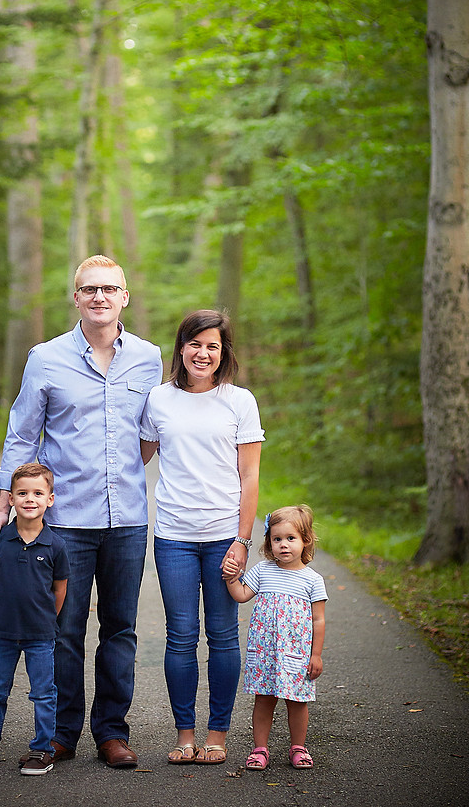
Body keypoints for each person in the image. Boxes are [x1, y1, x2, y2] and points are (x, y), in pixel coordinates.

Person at [0, 255, 163, 768]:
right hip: (64, 524)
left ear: (125, 297)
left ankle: (112, 733)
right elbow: (22, 435)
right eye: (89, 289)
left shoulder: (148, 358)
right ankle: (62, 733)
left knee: (120, 629)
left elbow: (150, 433)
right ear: (76, 298)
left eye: (109, 289)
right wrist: (3, 507)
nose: (99, 297)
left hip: (127, 519)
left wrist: (120, 469)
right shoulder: (45, 358)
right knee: (63, 631)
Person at [140, 309, 264, 765]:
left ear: (223, 352)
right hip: (173, 536)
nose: (203, 353)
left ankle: (217, 734)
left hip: (223, 537)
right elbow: (137, 456)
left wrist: (242, 540)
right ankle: (185, 734)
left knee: (224, 635)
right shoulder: (158, 399)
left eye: (213, 346)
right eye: (195, 344)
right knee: (180, 636)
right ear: (181, 347)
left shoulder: (239, 401)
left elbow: (249, 476)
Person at [0, 463, 70, 776]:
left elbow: (60, 589)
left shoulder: (56, 545)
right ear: (10, 499)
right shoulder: (0, 539)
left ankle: (43, 749)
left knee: (43, 693)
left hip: (40, 633)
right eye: (22, 493)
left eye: (38, 493)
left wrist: (46, 618)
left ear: (50, 499)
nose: (30, 499)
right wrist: (7, 609)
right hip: (3, 632)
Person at [223, 504, 327, 771]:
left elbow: (318, 620)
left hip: (297, 655)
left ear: (306, 540)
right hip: (265, 653)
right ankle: (260, 749)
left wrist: (316, 655)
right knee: (264, 700)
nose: (283, 545)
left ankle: (298, 747)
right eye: (277, 538)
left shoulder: (312, 580)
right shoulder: (263, 571)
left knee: (297, 702)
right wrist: (231, 578)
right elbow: (241, 595)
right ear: (269, 542)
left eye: (291, 538)